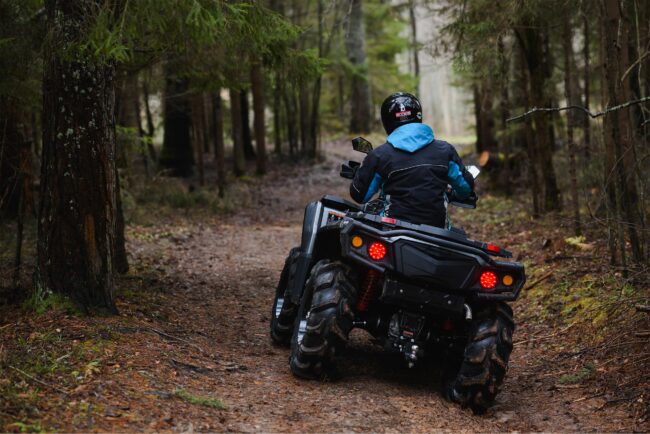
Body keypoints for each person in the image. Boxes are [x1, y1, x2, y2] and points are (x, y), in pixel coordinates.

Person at [350, 92, 474, 228]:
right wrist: (453, 192)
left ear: (386, 120)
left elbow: (360, 196)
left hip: (391, 230)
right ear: (418, 115)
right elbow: (465, 188)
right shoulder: (445, 150)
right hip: (437, 231)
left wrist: (361, 174)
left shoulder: (379, 155)